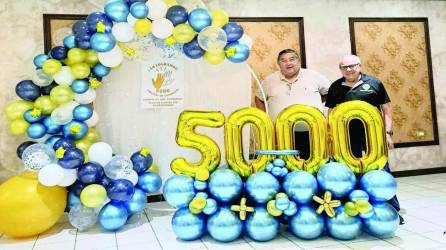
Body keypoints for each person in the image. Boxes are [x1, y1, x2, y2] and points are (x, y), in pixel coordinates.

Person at [325, 54, 404, 225]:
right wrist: (330, 136)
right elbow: (330, 113)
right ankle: (352, 209)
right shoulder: (335, 87)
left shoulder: (374, 83)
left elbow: (386, 110)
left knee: (381, 171)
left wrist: (387, 134)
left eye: (352, 66)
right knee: (348, 172)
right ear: (340, 69)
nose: (349, 69)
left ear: (359, 66)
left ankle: (392, 210)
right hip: (345, 137)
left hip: (372, 136)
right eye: (344, 67)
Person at [255, 49, 330, 159]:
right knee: (284, 165)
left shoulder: (314, 76)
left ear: (298, 61)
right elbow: (259, 98)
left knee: (312, 163)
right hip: (281, 132)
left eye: (292, 59)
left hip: (311, 131)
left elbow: (329, 93)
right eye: (283, 60)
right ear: (279, 64)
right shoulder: (269, 80)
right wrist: (267, 118)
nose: (288, 63)